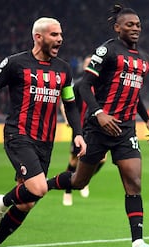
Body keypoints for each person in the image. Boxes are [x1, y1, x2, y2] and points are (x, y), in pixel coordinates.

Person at [0, 17, 86, 247]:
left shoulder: (63, 69)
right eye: (54, 34)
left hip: (45, 141)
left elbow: (70, 104)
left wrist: (78, 133)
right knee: (38, 188)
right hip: (19, 134)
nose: (60, 39)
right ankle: (1, 202)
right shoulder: (15, 63)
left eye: (61, 34)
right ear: (38, 37)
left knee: (26, 202)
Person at [47, 5, 149, 247]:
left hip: (125, 129)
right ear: (117, 27)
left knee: (134, 183)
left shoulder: (144, 59)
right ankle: (40, 186)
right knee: (79, 181)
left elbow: (136, 96)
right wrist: (99, 113)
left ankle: (138, 243)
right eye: (130, 25)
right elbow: (84, 85)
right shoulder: (107, 50)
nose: (135, 28)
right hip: (98, 127)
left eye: (138, 25)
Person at [60, 54, 106, 206]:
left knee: (102, 159)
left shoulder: (101, 84)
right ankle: (67, 192)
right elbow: (66, 104)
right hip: (81, 128)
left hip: (97, 128)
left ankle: (85, 179)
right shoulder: (79, 85)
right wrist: (68, 120)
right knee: (74, 160)